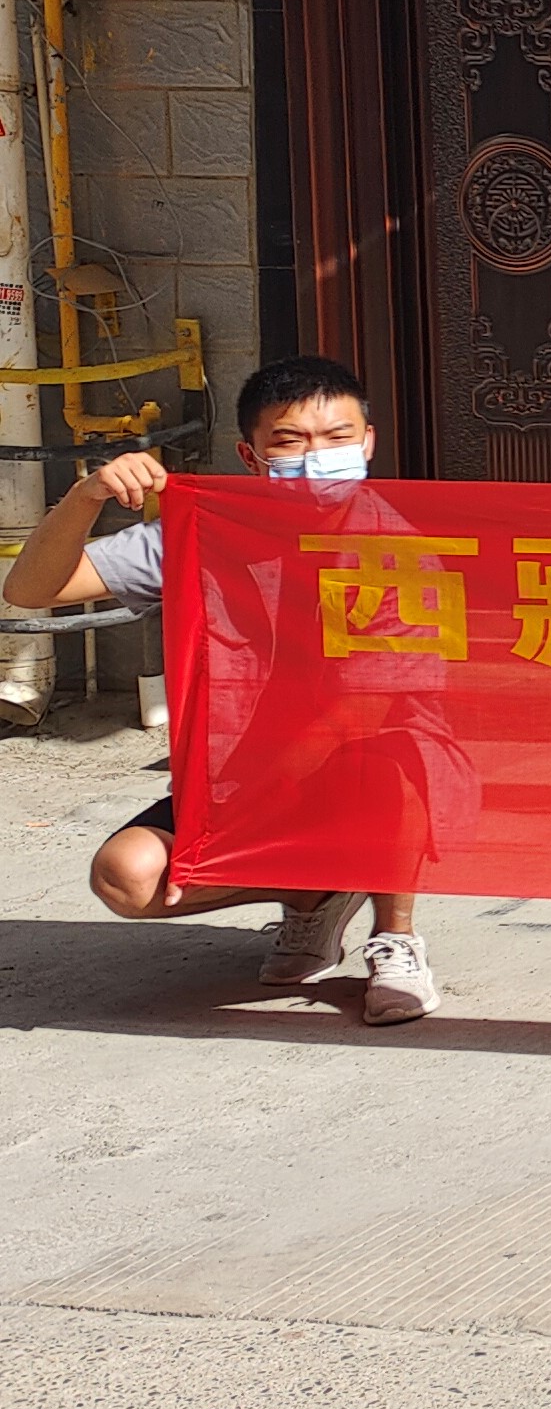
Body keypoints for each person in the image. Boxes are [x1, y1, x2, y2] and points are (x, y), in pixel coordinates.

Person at [9, 355, 438, 1027]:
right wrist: (86, 497)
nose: (317, 457)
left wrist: (262, 801)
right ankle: (315, 895)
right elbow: (31, 591)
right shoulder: (201, 532)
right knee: (126, 876)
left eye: (337, 438)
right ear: (250, 455)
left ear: (368, 443)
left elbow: (372, 704)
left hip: (354, 768)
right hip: (234, 778)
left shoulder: (403, 544)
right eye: (291, 441)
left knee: (389, 758)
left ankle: (396, 935)